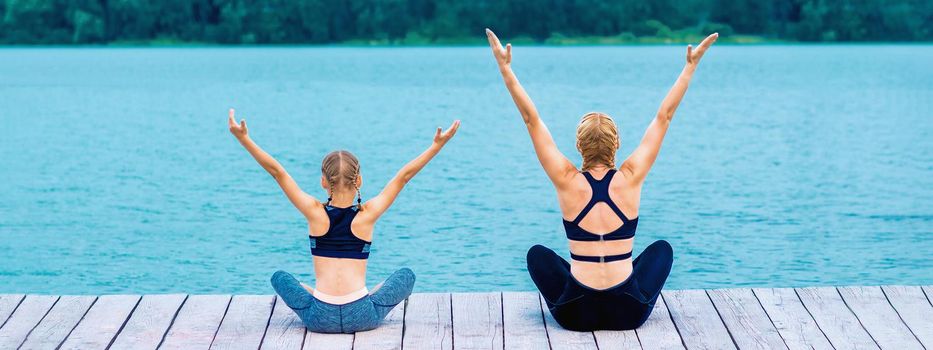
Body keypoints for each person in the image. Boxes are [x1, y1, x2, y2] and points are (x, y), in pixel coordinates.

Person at [485, 29, 718, 331]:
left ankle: (585, 281)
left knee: (538, 256)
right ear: (617, 144)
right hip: (629, 312)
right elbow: (664, 117)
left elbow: (532, 119)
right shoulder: (631, 177)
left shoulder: (566, 179)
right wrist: (690, 66)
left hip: (575, 314)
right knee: (661, 250)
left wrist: (505, 68)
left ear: (579, 146)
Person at [227, 109, 459, 333]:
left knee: (279, 277)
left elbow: (277, 172)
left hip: (319, 317)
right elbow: (403, 177)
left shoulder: (314, 212)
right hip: (362, 314)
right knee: (407, 276)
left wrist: (244, 139)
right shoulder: (367, 215)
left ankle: (315, 294)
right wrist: (437, 145)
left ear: (323, 182)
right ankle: (362, 295)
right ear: (358, 179)